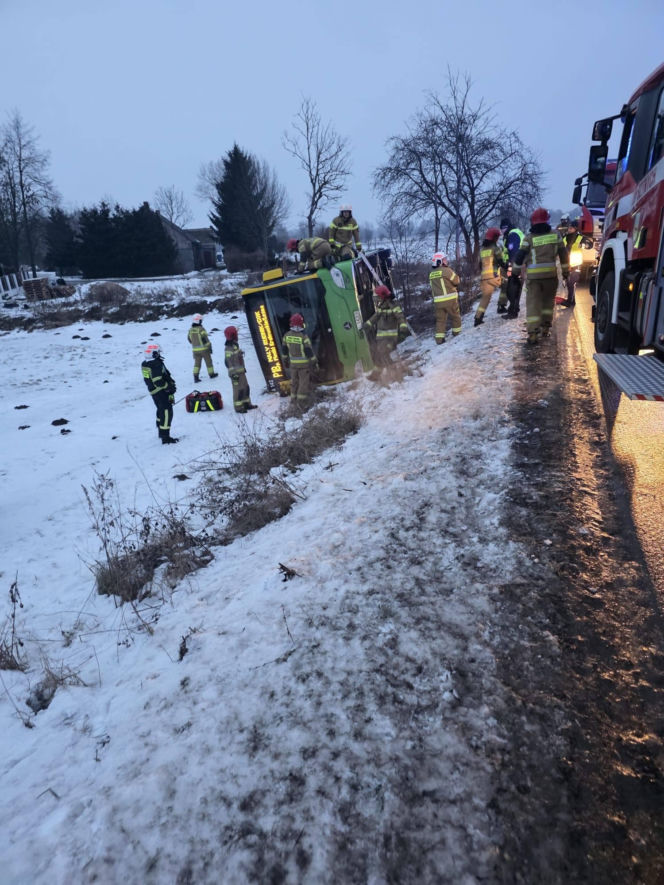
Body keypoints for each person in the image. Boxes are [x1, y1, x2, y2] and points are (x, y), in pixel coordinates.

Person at [512, 207, 569, 344]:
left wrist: (515, 273)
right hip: (550, 277)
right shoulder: (555, 235)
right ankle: (545, 328)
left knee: (533, 304)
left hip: (534, 279)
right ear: (547, 221)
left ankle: (533, 333)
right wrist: (566, 272)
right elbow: (563, 254)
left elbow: (520, 256)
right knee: (548, 303)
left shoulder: (528, 238)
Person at [363, 285, 410, 371]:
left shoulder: (393, 306)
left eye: (376, 297)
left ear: (382, 297)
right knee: (380, 355)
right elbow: (375, 317)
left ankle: (392, 372)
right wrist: (367, 325)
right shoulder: (381, 307)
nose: (375, 299)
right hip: (381, 338)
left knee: (383, 353)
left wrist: (403, 331)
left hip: (390, 338)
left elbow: (401, 318)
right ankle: (386, 372)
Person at [141, 344, 178, 444]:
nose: (159, 354)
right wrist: (168, 387)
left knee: (160, 410)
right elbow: (158, 381)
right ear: (154, 354)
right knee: (166, 412)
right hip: (161, 391)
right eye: (158, 352)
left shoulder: (145, 363)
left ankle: (160, 430)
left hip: (154, 392)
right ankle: (165, 437)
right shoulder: (155, 364)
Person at [282, 313, 318, 410]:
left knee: (294, 382)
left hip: (293, 365)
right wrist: (314, 362)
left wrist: (285, 361)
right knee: (303, 384)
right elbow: (309, 351)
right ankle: (301, 403)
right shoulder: (303, 337)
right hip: (303, 365)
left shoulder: (286, 336)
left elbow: (284, 350)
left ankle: (293, 401)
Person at [474, 228, 505, 327]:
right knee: (507, 285)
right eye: (497, 237)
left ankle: (478, 318)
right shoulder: (495, 248)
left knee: (485, 297)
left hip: (484, 278)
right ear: (494, 237)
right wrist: (507, 267)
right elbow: (501, 261)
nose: (498, 239)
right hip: (493, 276)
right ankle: (503, 306)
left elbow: (479, 265)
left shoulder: (482, 249)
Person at [223, 326, 258, 413]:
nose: (237, 334)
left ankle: (247, 404)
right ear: (232, 334)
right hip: (235, 374)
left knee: (245, 387)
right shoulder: (229, 348)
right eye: (236, 333)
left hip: (241, 372)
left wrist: (239, 354)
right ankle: (238, 407)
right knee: (238, 390)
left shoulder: (234, 345)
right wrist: (233, 374)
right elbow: (228, 362)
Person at [429, 252, 461, 344]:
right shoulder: (446, 270)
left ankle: (439, 339)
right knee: (455, 316)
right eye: (444, 259)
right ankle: (457, 334)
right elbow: (457, 281)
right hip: (450, 300)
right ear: (439, 261)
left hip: (438, 302)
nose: (446, 261)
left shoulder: (431, 274)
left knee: (440, 320)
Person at [499, 217, 525, 318]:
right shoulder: (513, 233)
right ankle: (514, 308)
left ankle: (513, 312)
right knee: (515, 287)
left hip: (516, 265)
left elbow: (513, 253)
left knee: (512, 288)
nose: (501, 231)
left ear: (505, 227)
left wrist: (510, 266)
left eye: (502, 228)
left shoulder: (512, 235)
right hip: (519, 264)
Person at [187, 313, 218, 383]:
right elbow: (205, 339)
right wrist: (209, 347)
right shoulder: (201, 329)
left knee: (197, 364)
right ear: (199, 321)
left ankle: (196, 377)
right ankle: (211, 374)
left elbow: (189, 339)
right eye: (201, 320)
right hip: (204, 350)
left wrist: (195, 343)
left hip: (195, 351)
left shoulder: (190, 330)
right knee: (209, 362)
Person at [561, 219, 584, 307]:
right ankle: (572, 300)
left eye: (571, 228)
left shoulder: (580, 238)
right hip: (567, 264)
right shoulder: (564, 238)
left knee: (571, 283)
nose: (569, 229)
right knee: (568, 283)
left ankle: (569, 301)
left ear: (575, 228)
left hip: (576, 264)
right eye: (569, 228)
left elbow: (588, 246)